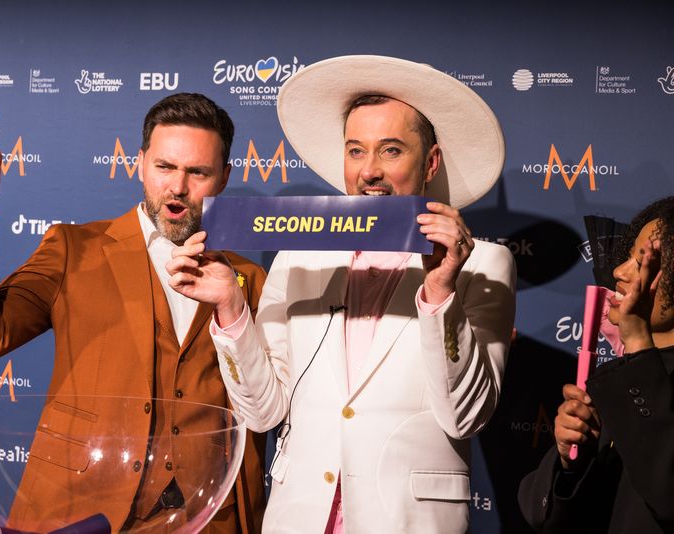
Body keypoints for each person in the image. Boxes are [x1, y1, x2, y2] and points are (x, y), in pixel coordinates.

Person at [167, 55, 516, 533]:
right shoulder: (300, 254)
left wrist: (439, 293)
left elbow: (465, 418)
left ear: (430, 161)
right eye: (356, 150)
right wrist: (230, 308)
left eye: (391, 150)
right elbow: (263, 411)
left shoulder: (484, 263)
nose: (369, 170)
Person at [0, 93, 266, 533]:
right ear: (139, 162)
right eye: (165, 167)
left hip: (209, 517)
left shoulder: (249, 279)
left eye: (198, 172)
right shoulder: (73, 251)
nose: (178, 187)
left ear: (224, 177)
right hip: (83, 511)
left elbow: (266, 403)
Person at [519, 197, 674, 533]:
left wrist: (636, 341)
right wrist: (572, 463)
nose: (619, 271)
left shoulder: (638, 378)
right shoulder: (617, 379)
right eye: (630, 256)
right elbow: (541, 514)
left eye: (645, 262)